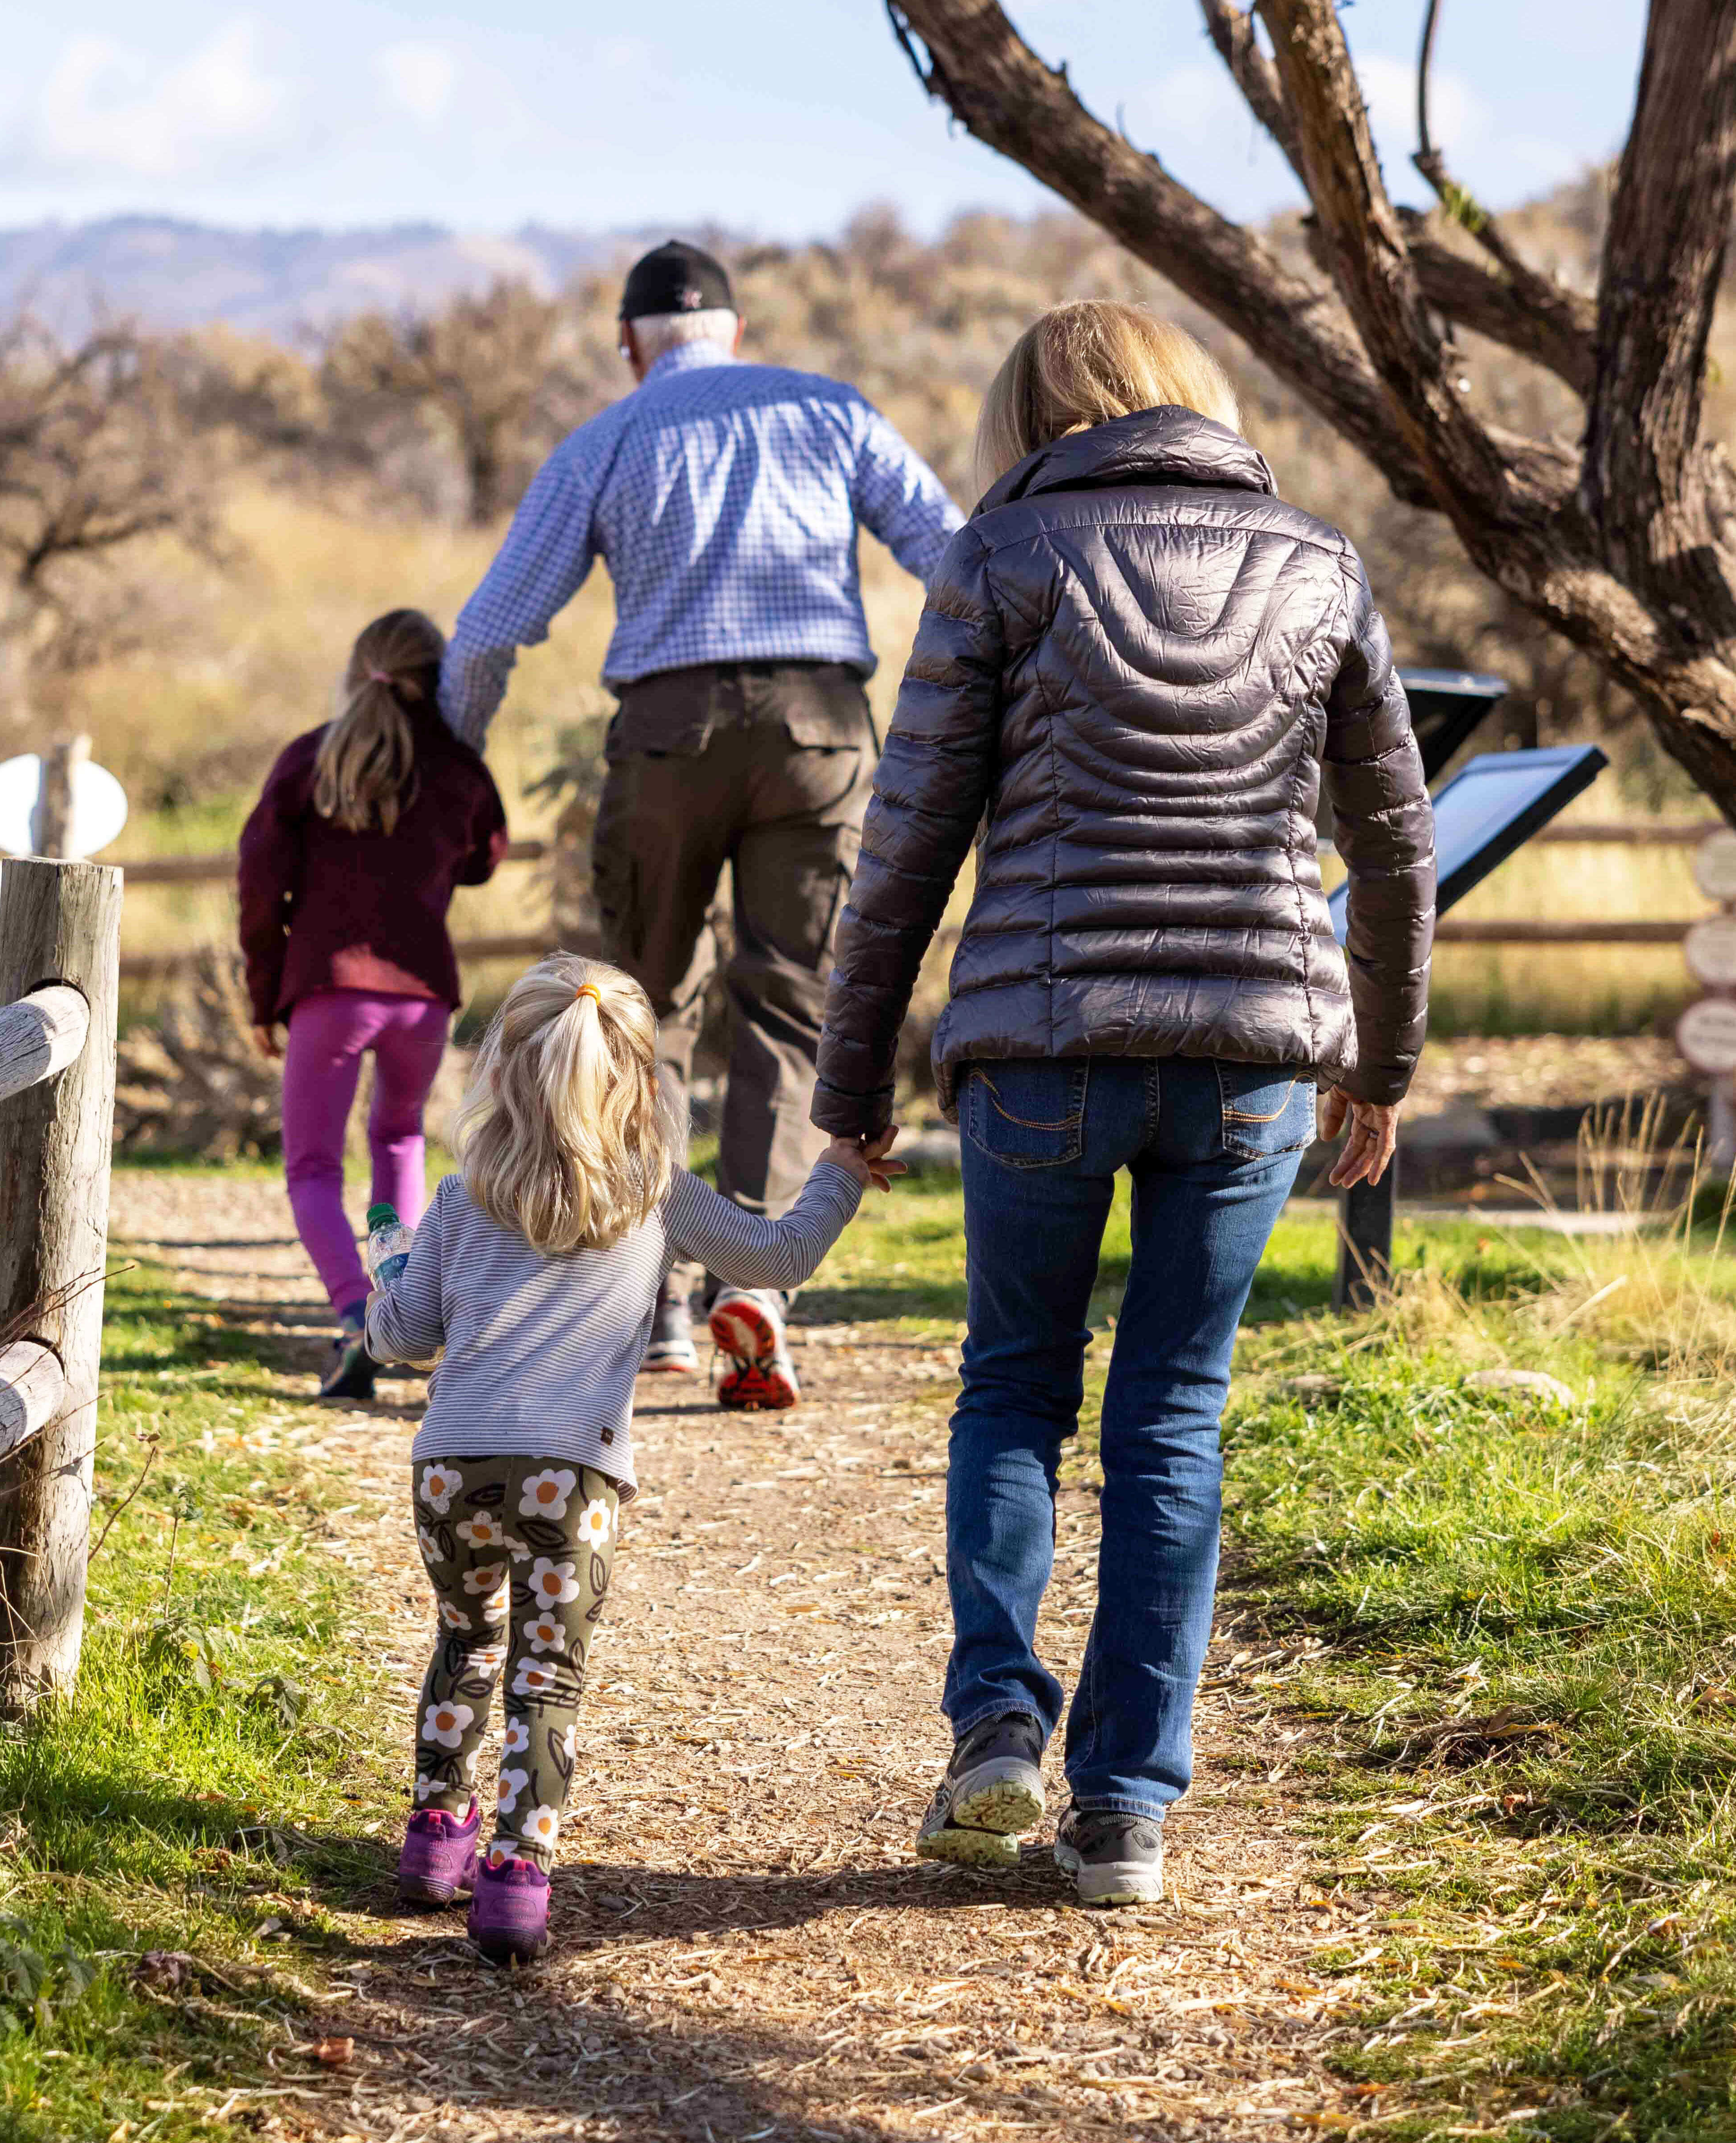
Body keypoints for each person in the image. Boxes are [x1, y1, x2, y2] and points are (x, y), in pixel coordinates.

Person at [811, 301, 1435, 1909]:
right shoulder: (1319, 564)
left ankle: (998, 1726)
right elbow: (1394, 840)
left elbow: (903, 854)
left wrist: (852, 1080)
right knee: (1172, 1408)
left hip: (1039, 1040)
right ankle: (1126, 1810)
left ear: (1031, 411)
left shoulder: (995, 564)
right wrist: (1381, 1061)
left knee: (1015, 1383)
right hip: (1248, 1058)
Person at [441, 238, 966, 1414]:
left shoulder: (604, 439)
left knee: (638, 1013)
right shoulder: (829, 411)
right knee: (787, 1004)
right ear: (739, 327)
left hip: (667, 736)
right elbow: (955, 556)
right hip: (820, 729)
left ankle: (657, 1299)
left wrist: (455, 753)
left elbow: (484, 633)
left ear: (629, 343)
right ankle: (760, 1295)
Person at [363, 953, 902, 1963]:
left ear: (503, 1072)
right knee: (545, 1675)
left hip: (450, 1474)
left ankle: (435, 1840)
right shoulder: (653, 1192)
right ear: (640, 1080)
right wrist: (839, 1171)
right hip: (575, 1480)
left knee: (465, 1642)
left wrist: (388, 1265)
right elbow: (778, 1257)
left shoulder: (459, 1195)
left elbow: (398, 1338)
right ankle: (515, 1883)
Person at [238, 609, 509, 1400]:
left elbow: (259, 883)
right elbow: (485, 856)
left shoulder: (308, 761)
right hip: (422, 998)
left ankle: (356, 1315)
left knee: (312, 1166)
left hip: (328, 993)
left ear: (358, 670)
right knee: (398, 1138)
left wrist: (264, 989)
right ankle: (401, 1306)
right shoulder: (458, 769)